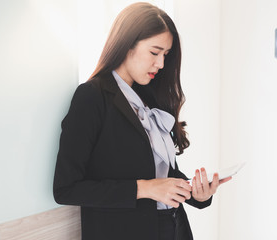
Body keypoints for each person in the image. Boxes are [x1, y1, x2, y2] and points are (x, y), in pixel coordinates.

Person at [53, 2, 231, 240]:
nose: (161, 64)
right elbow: (67, 189)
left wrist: (197, 194)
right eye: (154, 52)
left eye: (165, 55)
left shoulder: (149, 98)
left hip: (173, 229)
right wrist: (144, 188)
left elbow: (162, 175)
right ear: (127, 45)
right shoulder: (92, 97)